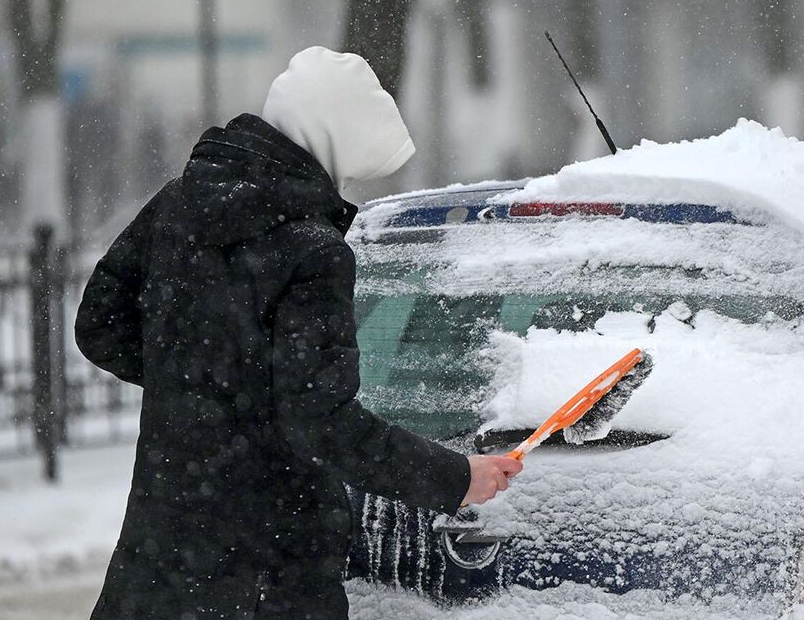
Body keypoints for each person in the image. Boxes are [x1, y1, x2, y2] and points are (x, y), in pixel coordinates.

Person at [76, 47, 522, 620]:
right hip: (271, 569)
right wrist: (457, 476)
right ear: (333, 140)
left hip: (162, 552)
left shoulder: (177, 206)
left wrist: (203, 385)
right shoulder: (312, 251)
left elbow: (100, 325)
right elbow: (321, 421)